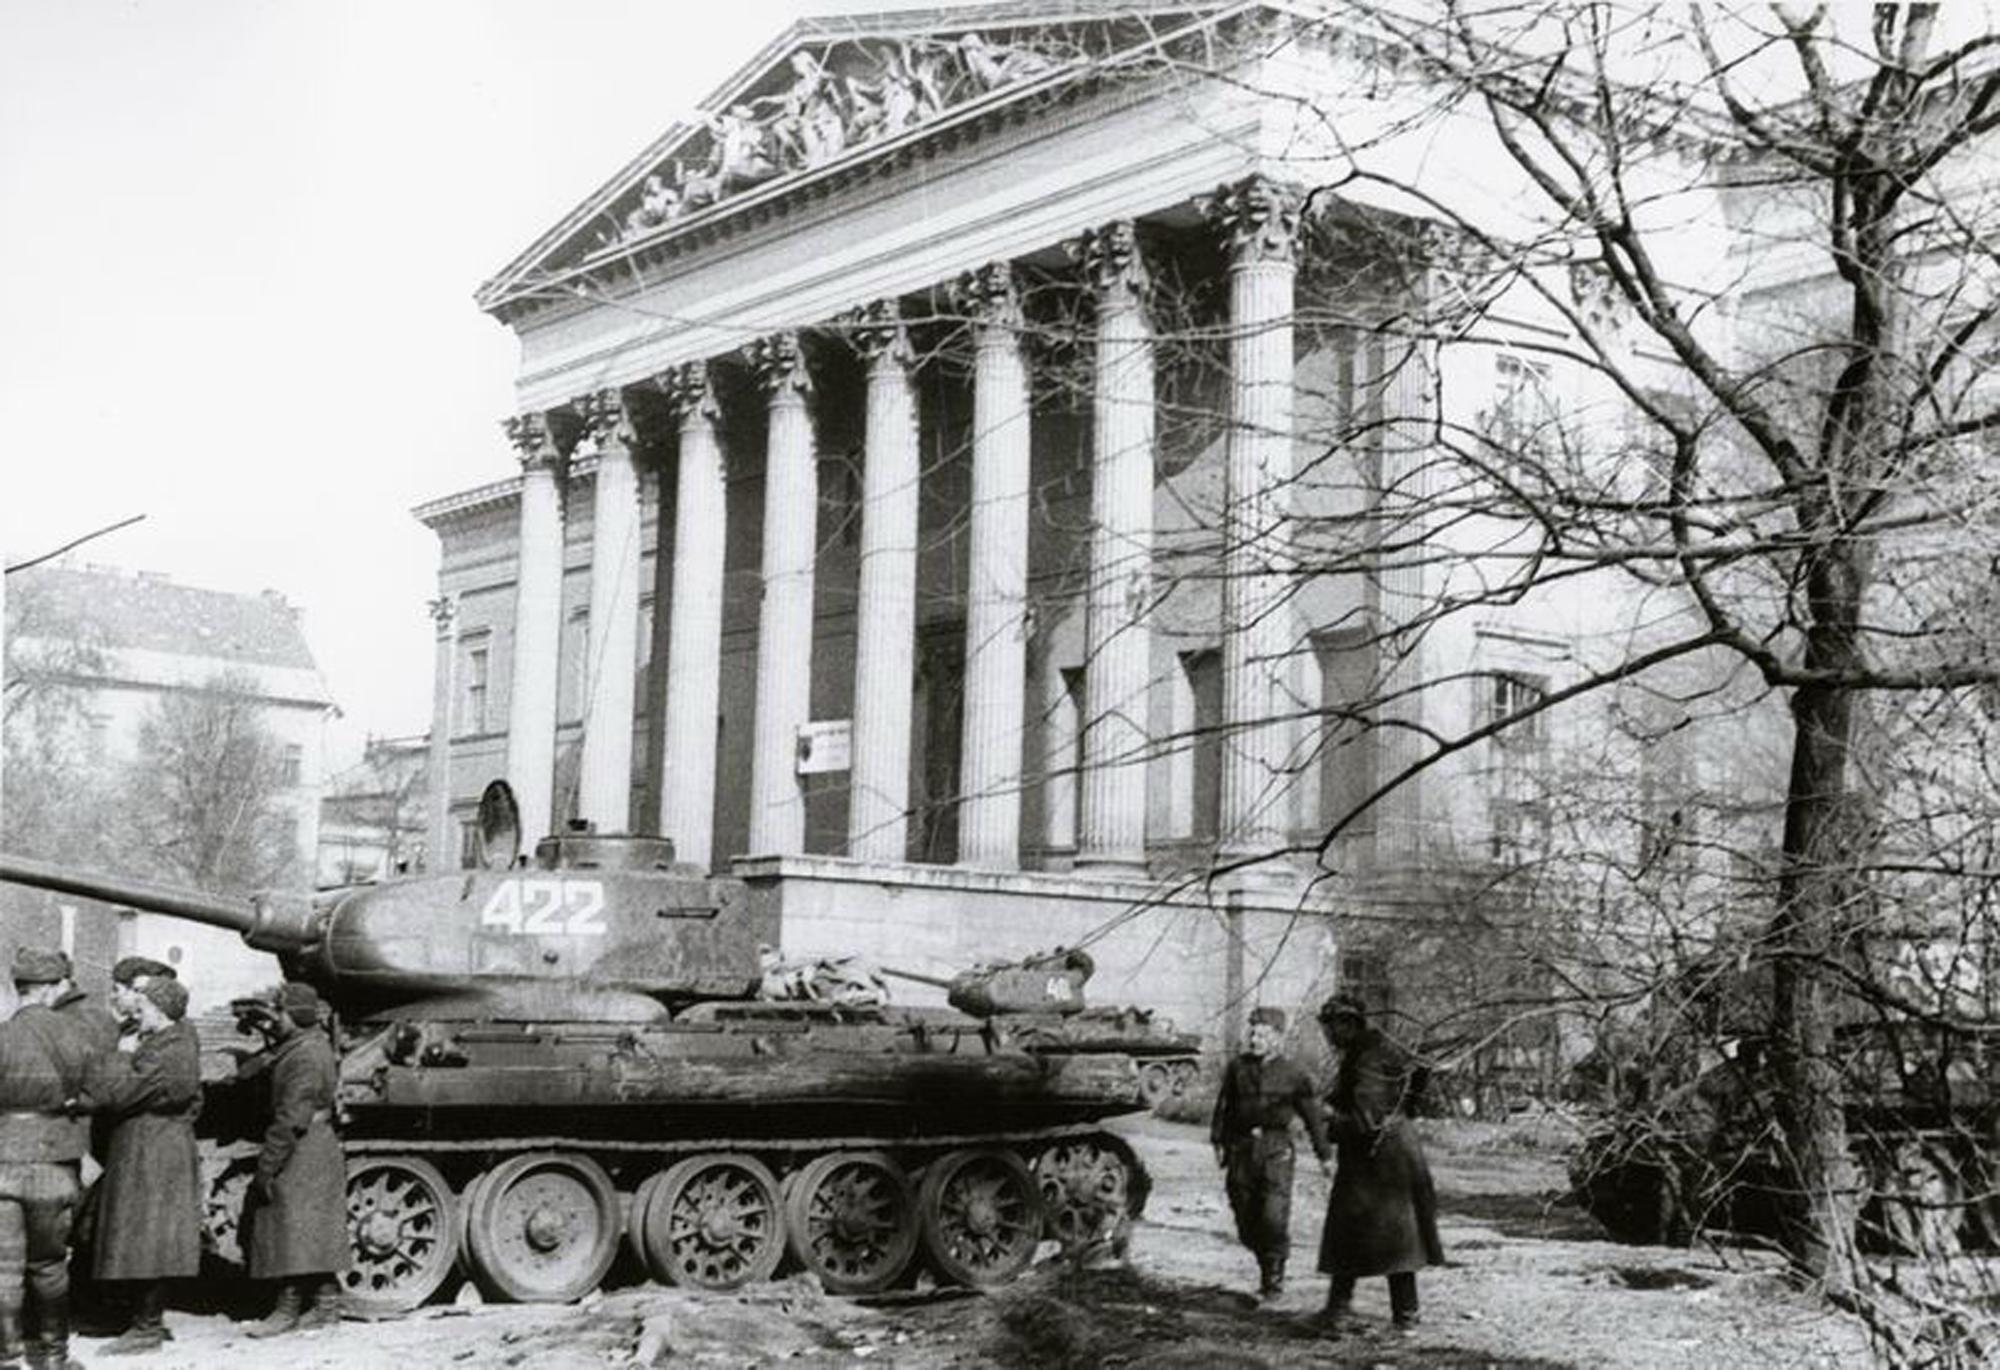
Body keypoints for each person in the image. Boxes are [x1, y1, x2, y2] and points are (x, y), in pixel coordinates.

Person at [79, 976, 202, 1357]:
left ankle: (147, 1327)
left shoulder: (169, 1051)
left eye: (144, 1007)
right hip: (147, 1149)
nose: (138, 1012)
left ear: (161, 1011)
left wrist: (119, 1054)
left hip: (153, 1155)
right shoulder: (166, 1043)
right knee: (135, 1235)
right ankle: (135, 1317)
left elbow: (115, 1094)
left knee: (148, 1238)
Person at [0, 947, 105, 1370]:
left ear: (20, 988)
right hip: (56, 1162)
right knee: (48, 1264)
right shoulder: (76, 1037)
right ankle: (54, 1357)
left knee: (3, 1267)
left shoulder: (3, 1036)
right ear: (50, 989)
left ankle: (7, 1358)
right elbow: (99, 1095)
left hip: (3, 1161)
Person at [1315, 994, 1444, 1332]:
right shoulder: (1377, 1048)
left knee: (1376, 1235)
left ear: (1347, 1025)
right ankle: (1391, 1314)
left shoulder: (1367, 1057)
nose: (1327, 1036)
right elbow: (1415, 1082)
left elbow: (1365, 1118)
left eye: (1330, 1028)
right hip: (1392, 1152)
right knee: (1393, 1237)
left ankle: (1354, 1312)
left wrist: (1330, 1117)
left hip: (1378, 1160)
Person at [239, 982, 347, 1338]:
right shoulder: (308, 1046)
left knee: (290, 1228)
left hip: (302, 1147)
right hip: (314, 1145)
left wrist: (267, 1167)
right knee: (308, 1230)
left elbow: (289, 1118)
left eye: (280, 1013)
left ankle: (286, 1311)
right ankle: (326, 1307)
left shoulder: (304, 1056)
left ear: (295, 1016)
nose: (275, 1019)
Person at [1210, 1005, 1331, 1302]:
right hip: (1241, 1149)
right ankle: (1265, 1258)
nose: (1255, 1038)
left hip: (1276, 1151)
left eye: (1262, 1033)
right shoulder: (1238, 1067)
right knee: (1245, 1217)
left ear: (1278, 1037)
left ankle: (1272, 1281)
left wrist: (1324, 1155)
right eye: (1252, 1032)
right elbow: (1224, 1107)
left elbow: (1313, 1117)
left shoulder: (1294, 1073)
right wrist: (1218, 1141)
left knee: (1273, 1216)